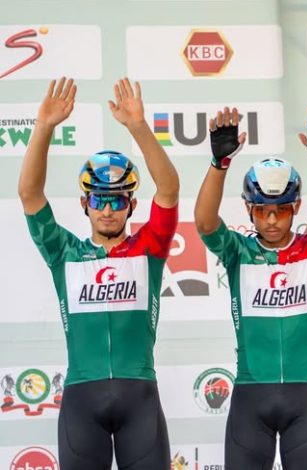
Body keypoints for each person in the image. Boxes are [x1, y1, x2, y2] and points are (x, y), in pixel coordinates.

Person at [18, 77, 179, 469]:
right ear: (85, 203)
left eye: (117, 201)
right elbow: (29, 195)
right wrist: (44, 127)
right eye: (99, 200)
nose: (107, 211)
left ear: (131, 205)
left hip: (139, 398)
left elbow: (169, 190)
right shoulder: (64, 252)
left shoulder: (149, 248)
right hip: (81, 400)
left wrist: (138, 127)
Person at [194, 105, 307, 470]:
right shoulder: (238, 251)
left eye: (281, 210)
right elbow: (204, 222)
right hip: (251, 397)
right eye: (261, 210)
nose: (271, 219)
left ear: (296, 206)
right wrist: (219, 165)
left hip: (306, 397)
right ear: (248, 209)